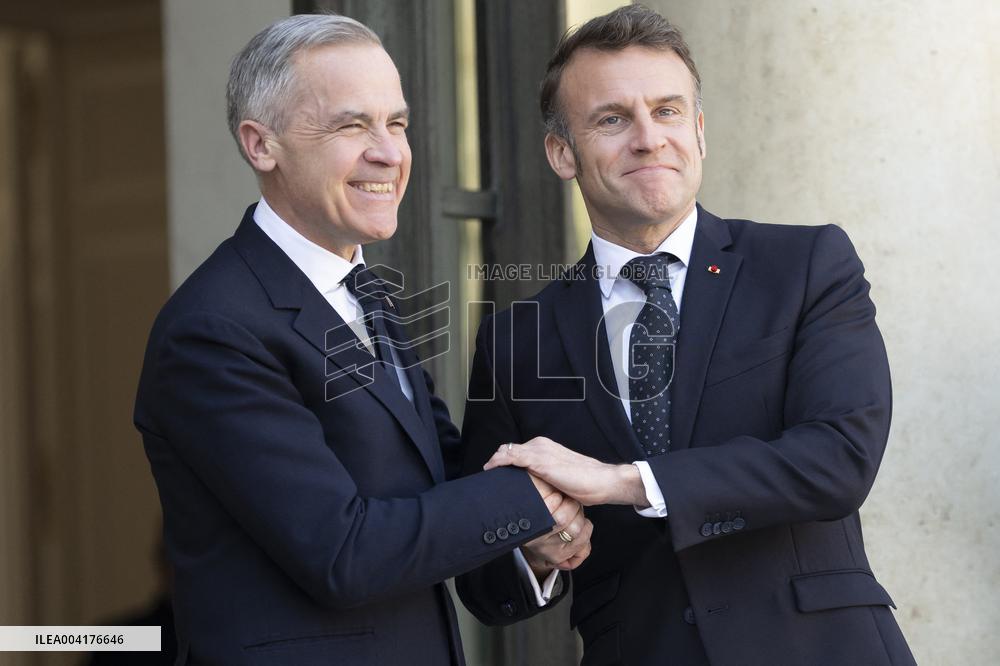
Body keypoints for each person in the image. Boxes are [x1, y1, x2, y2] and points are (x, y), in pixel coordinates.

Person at [456, 5, 915, 665]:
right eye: (612, 119)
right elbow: (483, 580)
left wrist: (624, 481)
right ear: (562, 152)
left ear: (699, 132)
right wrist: (534, 550)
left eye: (668, 112)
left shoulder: (807, 267)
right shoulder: (515, 341)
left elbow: (839, 460)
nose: (648, 138)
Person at [133, 14, 591, 665]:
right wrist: (529, 496)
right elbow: (340, 552)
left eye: (397, 123)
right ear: (261, 145)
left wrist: (531, 539)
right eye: (353, 125)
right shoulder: (213, 330)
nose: (389, 152)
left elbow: (435, 490)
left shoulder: (363, 294)